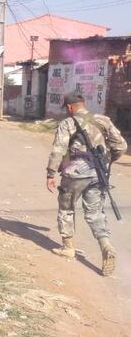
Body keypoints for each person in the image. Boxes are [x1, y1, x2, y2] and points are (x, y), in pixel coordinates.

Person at [46, 93, 127, 276]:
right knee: (95, 212)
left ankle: (68, 247)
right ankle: (106, 245)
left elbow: (58, 150)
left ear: (69, 108)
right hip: (98, 173)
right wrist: (107, 161)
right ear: (84, 104)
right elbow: (120, 146)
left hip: (75, 173)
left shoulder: (68, 123)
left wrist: (51, 174)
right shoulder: (103, 120)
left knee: (67, 208)